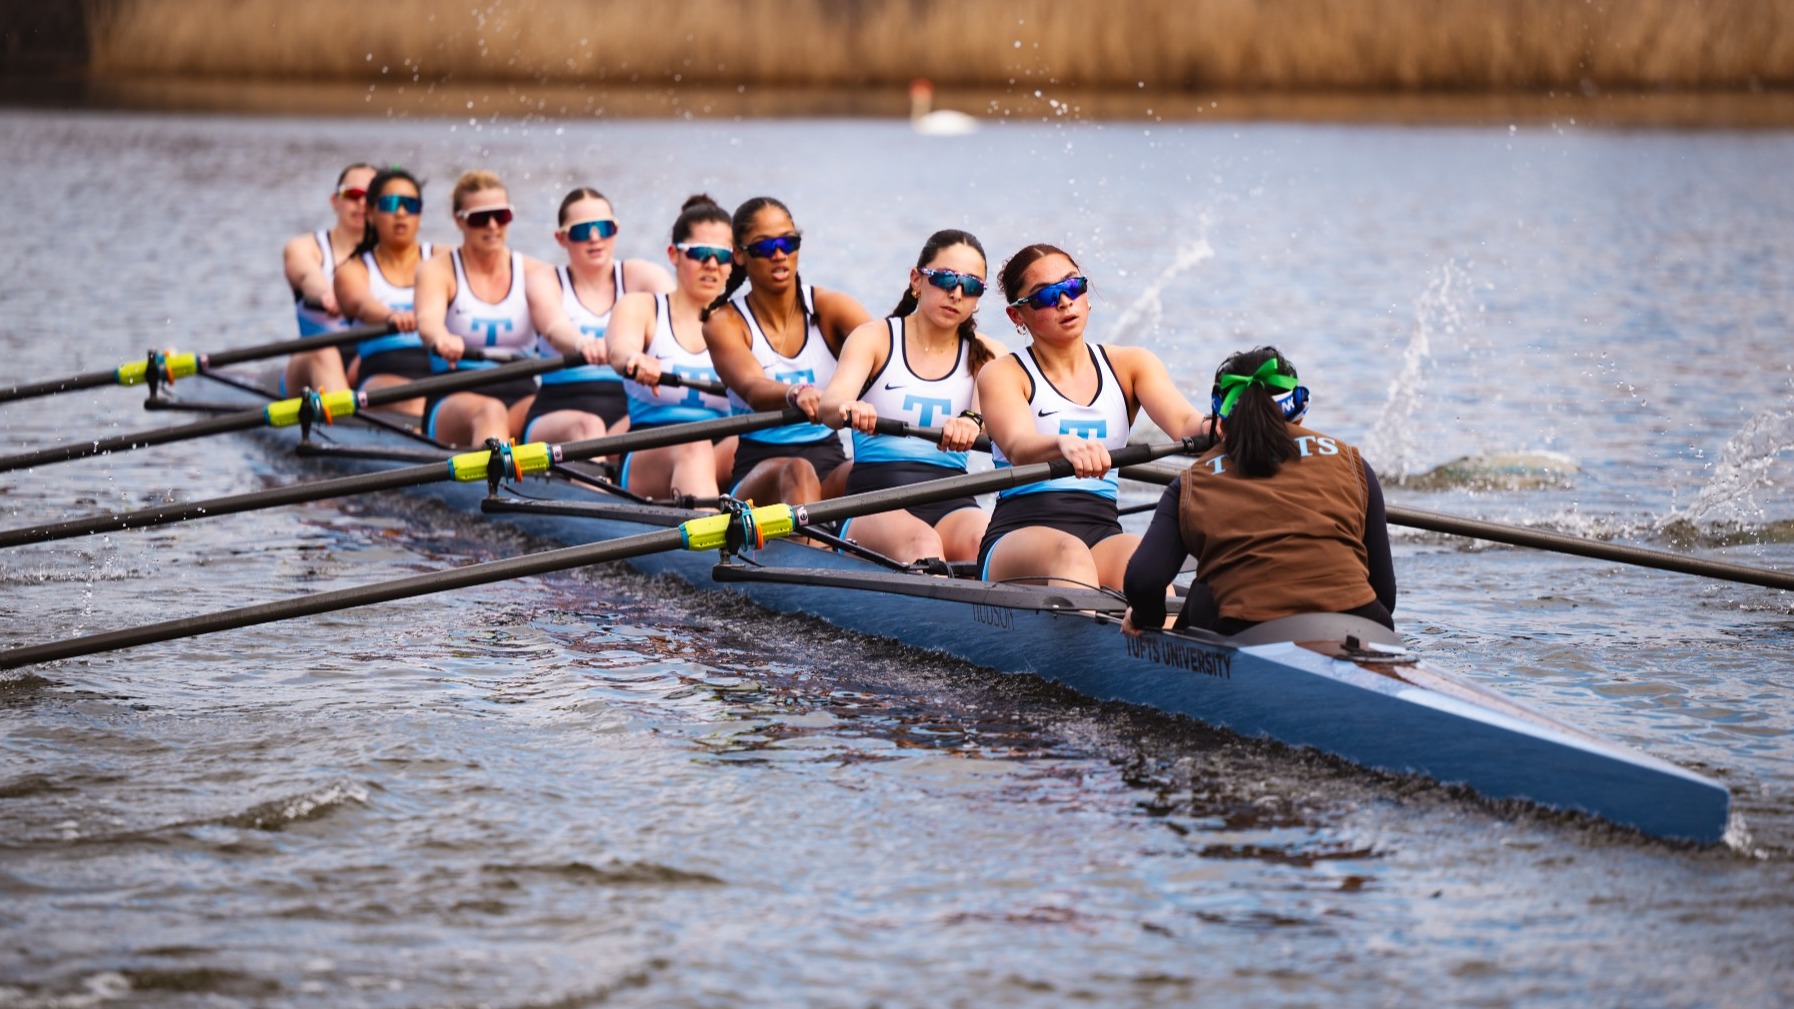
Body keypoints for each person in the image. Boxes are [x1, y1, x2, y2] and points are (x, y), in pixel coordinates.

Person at [976, 243, 1208, 590]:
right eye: (1045, 296)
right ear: (1017, 316)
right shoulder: (1002, 374)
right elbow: (1018, 446)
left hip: (1102, 532)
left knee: (1143, 562)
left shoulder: (1132, 365)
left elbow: (1187, 425)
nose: (1064, 301)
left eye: (1072, 286)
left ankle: (1164, 642)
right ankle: (1087, 641)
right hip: (1018, 535)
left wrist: (1224, 426)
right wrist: (1062, 444)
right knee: (1070, 555)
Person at [1121, 347, 1397, 636]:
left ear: (1221, 420)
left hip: (1247, 630)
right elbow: (1385, 596)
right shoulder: (1355, 464)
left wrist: (1145, 620)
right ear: (1300, 412)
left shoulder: (1192, 482)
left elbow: (1143, 582)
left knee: (1205, 585)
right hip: (1365, 627)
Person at [819, 229, 1004, 564]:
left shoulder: (991, 354)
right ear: (916, 280)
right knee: (923, 545)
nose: (957, 293)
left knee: (989, 542)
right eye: (946, 279)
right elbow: (829, 405)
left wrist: (975, 423)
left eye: (972, 285)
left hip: (953, 500)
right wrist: (849, 407)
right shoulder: (874, 338)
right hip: (872, 501)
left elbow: (1008, 431)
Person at [701, 196, 871, 506]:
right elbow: (753, 387)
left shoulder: (830, 307)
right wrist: (795, 392)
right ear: (739, 255)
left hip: (829, 460)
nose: (779, 255)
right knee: (798, 472)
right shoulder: (724, 323)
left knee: (879, 472)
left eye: (789, 243)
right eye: (765, 247)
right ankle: (817, 552)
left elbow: (888, 352)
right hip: (759, 471)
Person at [605, 195, 737, 500]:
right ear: (673, 254)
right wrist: (634, 359)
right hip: (649, 450)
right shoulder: (642, 307)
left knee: (779, 451)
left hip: (719, 450)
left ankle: (804, 540)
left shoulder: (742, 321)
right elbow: (619, 348)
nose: (712, 264)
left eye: (722, 255)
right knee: (695, 447)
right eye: (700, 253)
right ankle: (708, 541)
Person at [412, 170, 557, 448]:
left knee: (566, 417)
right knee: (491, 411)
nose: (492, 226)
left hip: (520, 391)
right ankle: (498, 486)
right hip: (455, 392)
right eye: (480, 218)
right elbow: (428, 321)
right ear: (459, 220)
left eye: (501, 216)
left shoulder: (536, 272)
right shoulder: (436, 271)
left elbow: (559, 325)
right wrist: (441, 337)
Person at [520, 187, 676, 444]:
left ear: (616, 230)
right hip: (557, 408)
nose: (595, 238)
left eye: (603, 228)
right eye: (582, 231)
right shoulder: (545, 280)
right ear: (561, 239)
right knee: (589, 427)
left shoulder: (643, 275)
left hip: (626, 408)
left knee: (666, 421)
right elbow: (554, 328)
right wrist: (583, 344)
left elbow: (680, 316)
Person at [333, 167, 438, 417]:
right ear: (370, 213)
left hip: (442, 371)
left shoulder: (444, 260)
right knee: (421, 403)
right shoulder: (353, 270)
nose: (401, 212)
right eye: (390, 204)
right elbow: (360, 304)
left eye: (410, 205)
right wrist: (391, 317)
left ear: (420, 214)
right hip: (381, 373)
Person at [282, 162, 375, 395]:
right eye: (353, 195)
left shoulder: (393, 259)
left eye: (370, 196)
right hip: (313, 361)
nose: (362, 203)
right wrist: (326, 295)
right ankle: (342, 422)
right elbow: (307, 275)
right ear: (336, 201)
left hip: (370, 360)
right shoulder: (305, 247)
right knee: (324, 351)